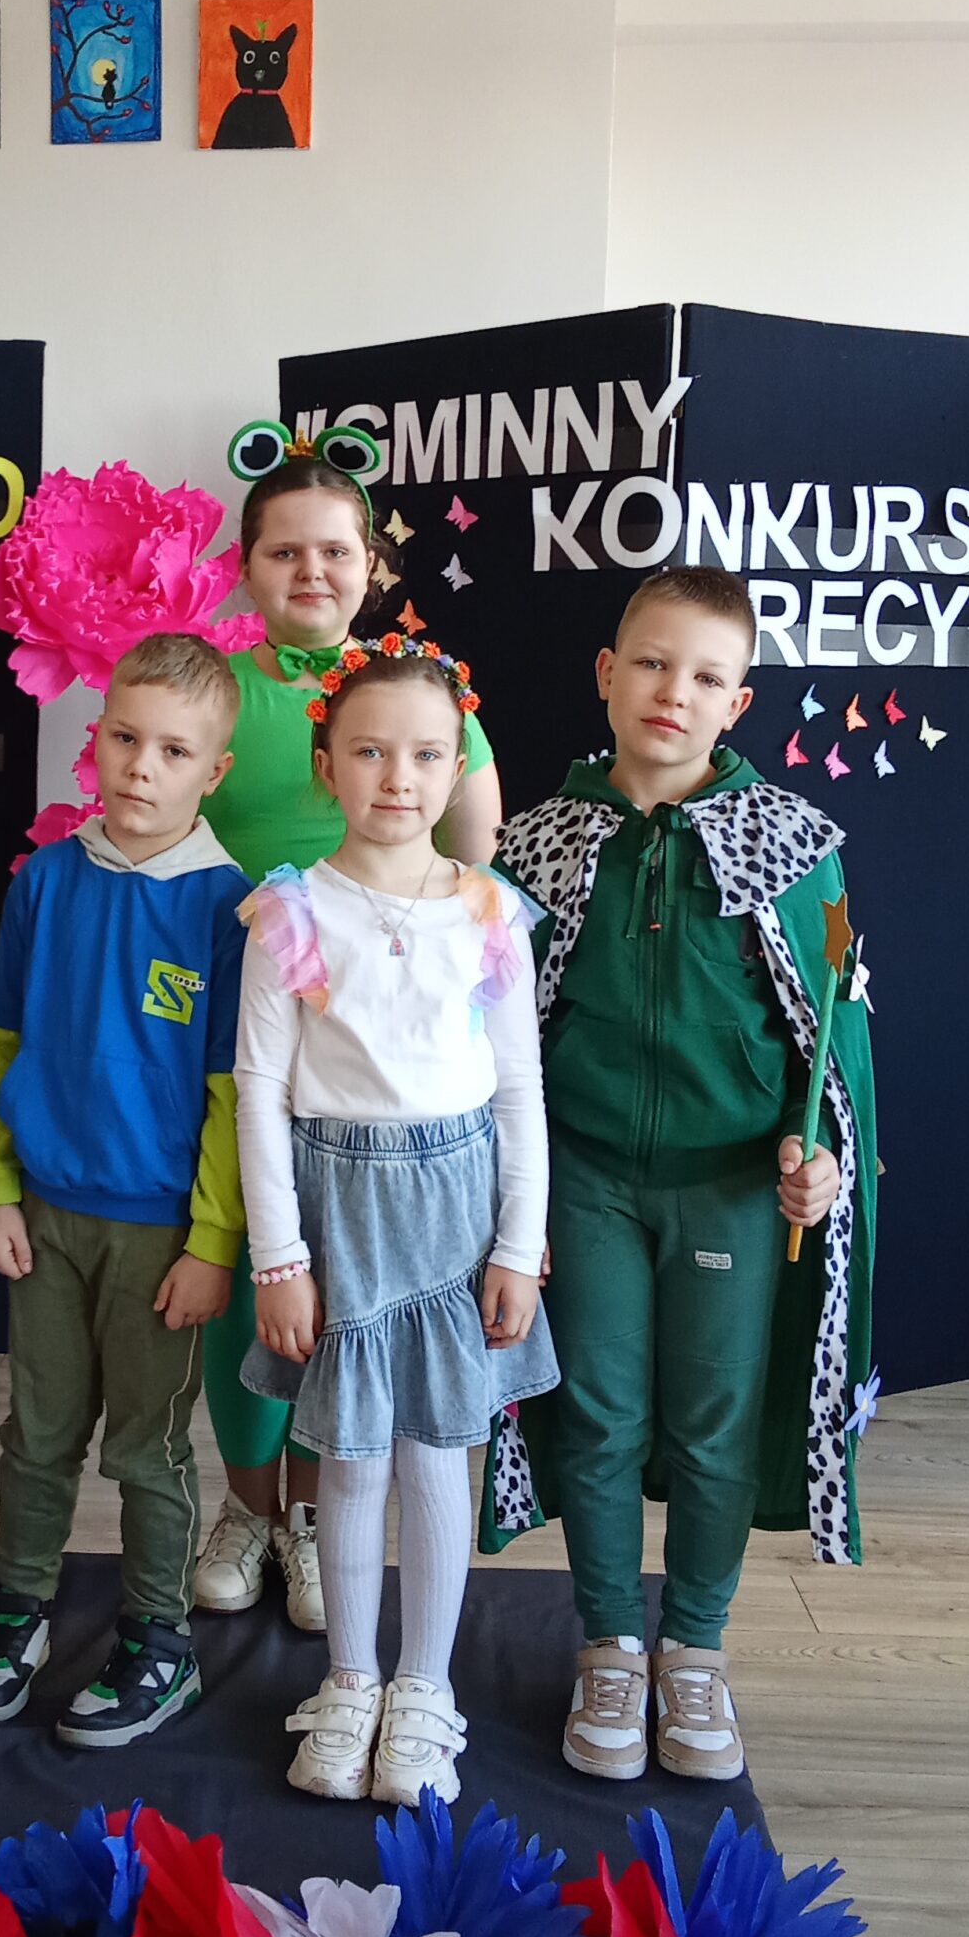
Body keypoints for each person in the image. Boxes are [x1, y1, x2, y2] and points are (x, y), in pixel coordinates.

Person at [494, 565, 877, 1785]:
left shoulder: (795, 848)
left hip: (732, 1189)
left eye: (707, 675)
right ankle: (612, 1642)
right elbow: (497, 1038)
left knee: (714, 1424)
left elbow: (835, 1035)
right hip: (588, 1181)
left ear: (738, 703)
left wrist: (821, 1154)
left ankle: (695, 1650)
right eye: (653, 663)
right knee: (599, 1413)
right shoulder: (534, 847)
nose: (675, 691)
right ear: (608, 675)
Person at [193, 423, 506, 1637]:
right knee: (249, 1263)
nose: (311, 570)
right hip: (238, 1014)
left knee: (352, 1285)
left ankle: (323, 1517)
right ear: (248, 566)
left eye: (335, 549)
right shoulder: (218, 685)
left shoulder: (424, 690)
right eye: (285, 551)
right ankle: (249, 1508)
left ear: (372, 563)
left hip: (375, 1051)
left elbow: (474, 860)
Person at [234, 637, 558, 1806]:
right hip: (340, 1210)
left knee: (436, 1451)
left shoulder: (489, 913)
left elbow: (518, 1088)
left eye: (426, 754)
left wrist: (518, 1241)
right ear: (326, 764)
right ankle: (352, 1675)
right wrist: (279, 1258)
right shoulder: (290, 912)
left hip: (457, 1213)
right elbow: (260, 1094)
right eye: (370, 751)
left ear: (456, 764)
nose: (398, 777)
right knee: (351, 1454)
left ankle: (424, 1686)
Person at [0, 634, 249, 1746]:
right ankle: (20, 1605)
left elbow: (233, 1092)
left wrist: (213, 1239)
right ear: (98, 737)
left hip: (160, 1236)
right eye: (126, 737)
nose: (141, 766)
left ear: (213, 770)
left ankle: (159, 1638)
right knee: (36, 1431)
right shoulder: (46, 882)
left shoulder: (228, 909)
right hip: (43, 1217)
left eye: (173, 750)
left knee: (147, 1447)